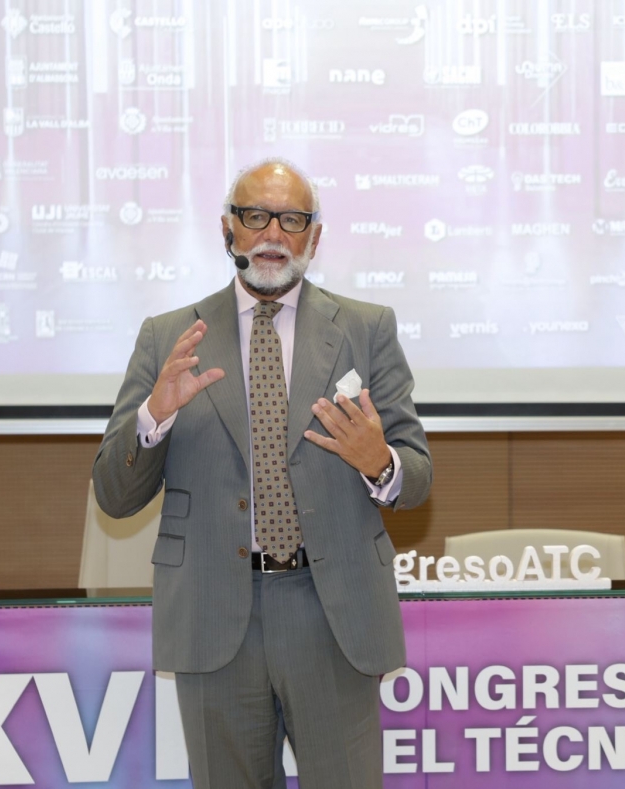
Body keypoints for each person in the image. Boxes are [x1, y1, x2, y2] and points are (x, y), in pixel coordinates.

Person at [93, 158, 432, 788]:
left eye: (292, 220)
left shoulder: (366, 329)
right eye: (256, 217)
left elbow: (417, 479)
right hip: (213, 614)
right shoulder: (169, 338)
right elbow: (115, 495)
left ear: (314, 237)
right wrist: (153, 418)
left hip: (331, 613)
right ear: (227, 229)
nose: (273, 234)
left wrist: (379, 464)